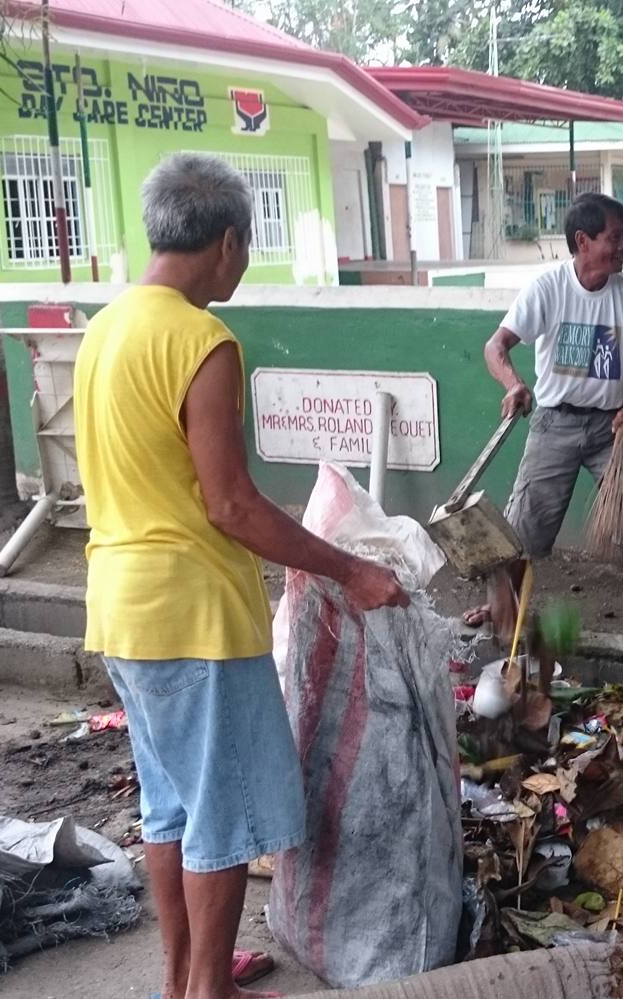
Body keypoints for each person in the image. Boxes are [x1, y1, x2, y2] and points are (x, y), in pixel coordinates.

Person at [74, 152, 408, 999]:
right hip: (194, 616)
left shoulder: (105, 327)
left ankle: (182, 978)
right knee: (219, 822)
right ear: (226, 243)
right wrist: (350, 569)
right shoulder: (201, 339)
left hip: (120, 608)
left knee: (170, 808)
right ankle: (207, 992)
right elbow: (230, 504)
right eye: (248, 245)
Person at [468, 192, 623, 652]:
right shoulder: (547, 288)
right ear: (583, 240)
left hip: (611, 431)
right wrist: (514, 385)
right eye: (615, 237)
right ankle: (497, 607)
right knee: (522, 530)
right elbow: (496, 348)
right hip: (554, 424)